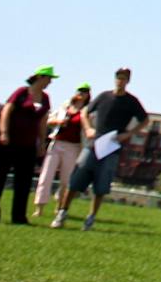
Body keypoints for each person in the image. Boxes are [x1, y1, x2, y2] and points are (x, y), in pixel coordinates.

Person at [55, 66, 147, 231]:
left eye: (124, 77)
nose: (121, 80)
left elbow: (145, 120)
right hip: (93, 144)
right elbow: (84, 112)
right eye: (119, 77)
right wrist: (88, 128)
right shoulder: (104, 96)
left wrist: (128, 134)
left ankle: (90, 218)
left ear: (128, 81)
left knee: (101, 186)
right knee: (75, 179)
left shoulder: (131, 102)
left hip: (111, 147)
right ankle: (62, 213)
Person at [0, 66, 54, 224]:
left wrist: (41, 143)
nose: (50, 82)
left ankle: (19, 216)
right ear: (40, 77)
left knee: (24, 183)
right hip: (8, 143)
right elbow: (6, 111)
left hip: (27, 145)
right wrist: (4, 132)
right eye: (48, 78)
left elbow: (42, 121)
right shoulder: (22, 92)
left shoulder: (45, 98)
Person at [33, 82, 90, 219]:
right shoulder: (66, 106)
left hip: (74, 147)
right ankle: (39, 207)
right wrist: (59, 122)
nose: (81, 94)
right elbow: (49, 120)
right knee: (46, 175)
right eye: (79, 91)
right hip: (57, 144)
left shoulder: (87, 111)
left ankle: (60, 206)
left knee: (66, 179)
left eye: (84, 91)